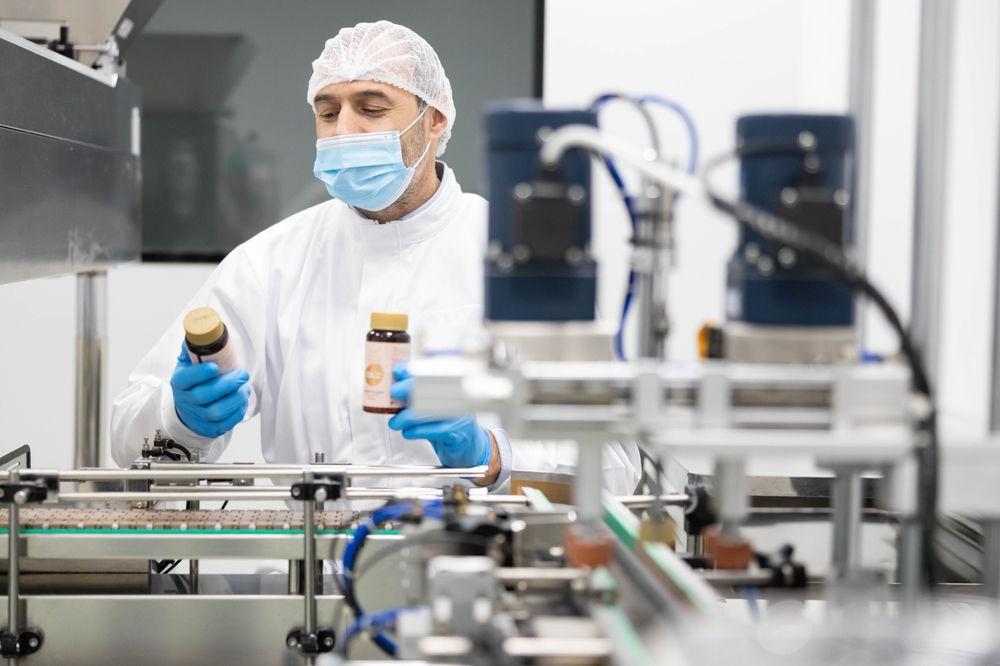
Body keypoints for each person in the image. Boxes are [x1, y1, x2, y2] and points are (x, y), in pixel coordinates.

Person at [110, 20, 641, 496]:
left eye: (371, 108)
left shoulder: (516, 259)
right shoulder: (270, 263)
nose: (344, 131)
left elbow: (617, 464)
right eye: (328, 112)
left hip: (481, 570)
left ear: (434, 121)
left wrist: (489, 455)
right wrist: (181, 419)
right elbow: (129, 437)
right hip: (315, 576)